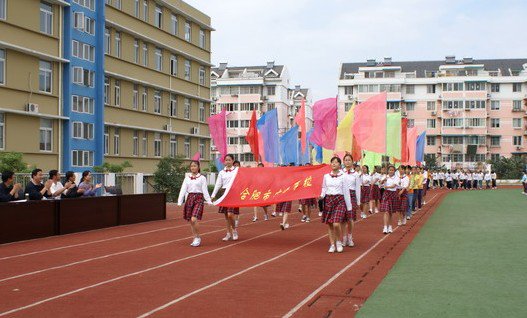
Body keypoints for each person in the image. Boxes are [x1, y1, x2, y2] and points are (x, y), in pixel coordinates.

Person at [320, 157, 352, 253]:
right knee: (330, 224)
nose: (333, 164)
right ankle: (332, 244)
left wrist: (349, 207)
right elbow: (324, 188)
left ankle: (338, 241)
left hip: (340, 200)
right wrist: (321, 196)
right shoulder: (326, 176)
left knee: (336, 223)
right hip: (329, 200)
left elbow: (346, 191)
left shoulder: (344, 176)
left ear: (339, 165)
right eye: (332, 162)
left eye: (336, 162)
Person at [177, 160, 212, 247]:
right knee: (190, 221)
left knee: (194, 219)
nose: (193, 167)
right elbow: (183, 189)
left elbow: (205, 190)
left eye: (195, 166)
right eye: (191, 166)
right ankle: (195, 237)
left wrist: (208, 200)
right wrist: (180, 201)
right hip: (189, 199)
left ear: (198, 167)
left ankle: (198, 237)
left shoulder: (202, 178)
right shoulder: (187, 178)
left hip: (199, 199)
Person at [211, 154, 240, 241]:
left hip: (233, 193)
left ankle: (234, 230)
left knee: (230, 214)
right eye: (226, 160)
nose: (227, 162)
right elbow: (218, 184)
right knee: (226, 216)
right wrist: (213, 195)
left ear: (233, 160)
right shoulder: (221, 172)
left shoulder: (237, 170)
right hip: (224, 193)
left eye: (229, 160)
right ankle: (228, 233)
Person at [342, 153, 361, 247]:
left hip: (352, 195)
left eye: (349, 160)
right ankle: (344, 237)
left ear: (352, 161)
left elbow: (358, 188)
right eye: (346, 160)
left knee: (350, 218)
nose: (347, 161)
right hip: (342, 196)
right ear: (343, 162)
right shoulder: (340, 173)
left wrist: (358, 201)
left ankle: (349, 236)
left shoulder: (356, 174)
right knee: (342, 219)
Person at [380, 165, 400, 234]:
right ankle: (385, 227)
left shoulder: (396, 178)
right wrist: (383, 180)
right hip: (386, 194)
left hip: (393, 194)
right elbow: (380, 184)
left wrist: (387, 186)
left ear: (394, 171)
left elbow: (394, 186)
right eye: (390, 170)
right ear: (388, 171)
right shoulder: (385, 176)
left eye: (392, 170)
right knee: (386, 211)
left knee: (391, 212)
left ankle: (390, 226)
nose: (391, 171)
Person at [233, 160, 242, 227]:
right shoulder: (230, 173)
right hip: (230, 192)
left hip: (237, 191)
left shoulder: (241, 173)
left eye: (237, 165)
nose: (236, 166)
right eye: (235, 165)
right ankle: (233, 219)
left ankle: (236, 220)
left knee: (236, 206)